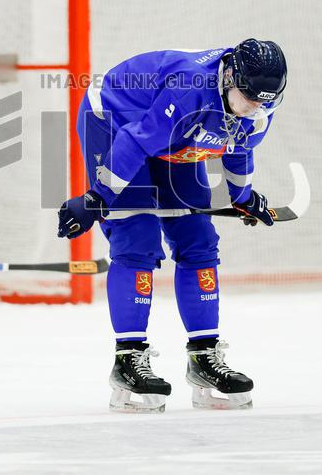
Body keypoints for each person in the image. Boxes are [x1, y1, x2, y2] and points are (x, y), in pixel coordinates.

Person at [57, 39, 287, 412]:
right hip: (118, 118)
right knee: (137, 237)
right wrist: (98, 198)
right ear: (229, 78)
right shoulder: (192, 89)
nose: (255, 108)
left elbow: (239, 145)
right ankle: (128, 359)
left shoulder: (260, 103)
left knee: (197, 237)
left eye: (264, 101)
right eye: (248, 98)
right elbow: (138, 139)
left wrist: (242, 196)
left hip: (171, 132)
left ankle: (203, 357)